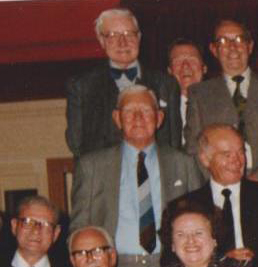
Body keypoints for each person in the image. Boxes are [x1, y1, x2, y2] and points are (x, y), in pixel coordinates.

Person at [69, 84, 204, 267]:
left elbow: (202, 222)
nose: (138, 117)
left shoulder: (183, 164)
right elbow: (79, 229)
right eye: (129, 111)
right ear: (117, 118)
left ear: (159, 118)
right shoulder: (92, 166)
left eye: (146, 111)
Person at [183, 19, 258, 186]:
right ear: (214, 50)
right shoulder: (199, 95)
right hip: (219, 191)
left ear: (250, 46)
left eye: (239, 39)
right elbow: (193, 150)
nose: (232, 47)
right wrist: (220, 182)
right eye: (223, 41)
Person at [65, 8, 180, 158]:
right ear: (101, 40)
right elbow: (76, 143)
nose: (122, 42)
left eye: (128, 34)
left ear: (139, 37)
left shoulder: (166, 84)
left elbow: (173, 143)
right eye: (113, 35)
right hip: (103, 170)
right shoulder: (82, 87)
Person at [178, 124, 258, 267]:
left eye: (241, 152)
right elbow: (172, 263)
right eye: (227, 154)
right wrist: (220, 263)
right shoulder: (187, 206)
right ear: (205, 159)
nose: (237, 161)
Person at [167, 39, 207, 148]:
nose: (185, 66)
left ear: (204, 68)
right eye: (178, 61)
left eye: (192, 60)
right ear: (169, 71)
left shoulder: (219, 104)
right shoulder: (161, 108)